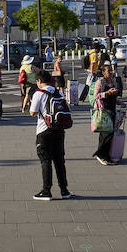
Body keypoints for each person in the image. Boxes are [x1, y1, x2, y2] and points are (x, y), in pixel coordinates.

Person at [29, 69, 73, 201]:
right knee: (59, 161)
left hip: (44, 131)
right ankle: (64, 190)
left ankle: (46, 190)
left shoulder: (39, 93)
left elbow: (33, 112)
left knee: (45, 160)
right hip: (59, 130)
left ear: (39, 81)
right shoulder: (57, 91)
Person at [91, 63, 120, 166]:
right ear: (103, 72)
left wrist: (120, 102)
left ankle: (107, 155)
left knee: (111, 133)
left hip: (112, 109)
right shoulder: (100, 82)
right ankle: (101, 155)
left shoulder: (113, 81)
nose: (111, 72)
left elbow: (114, 96)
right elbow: (95, 96)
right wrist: (107, 93)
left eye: (111, 70)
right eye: (108, 70)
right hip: (103, 111)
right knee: (105, 133)